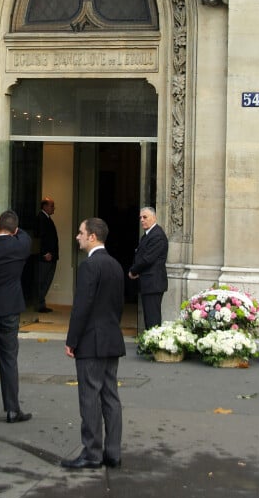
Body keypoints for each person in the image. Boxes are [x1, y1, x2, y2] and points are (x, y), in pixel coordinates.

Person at [61, 217, 125, 470]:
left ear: (92, 237)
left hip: (91, 341)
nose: (77, 236)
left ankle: (91, 453)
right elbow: (118, 306)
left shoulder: (90, 266)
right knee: (110, 396)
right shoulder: (116, 265)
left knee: (89, 397)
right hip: (111, 337)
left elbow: (82, 307)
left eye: (80, 232)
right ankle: (113, 452)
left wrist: (71, 340)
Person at [0, 210, 32, 424]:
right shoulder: (20, 245)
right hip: (9, 308)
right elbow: (24, 236)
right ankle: (12, 409)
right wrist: (10, 226)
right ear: (14, 230)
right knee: (9, 359)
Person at [128, 206, 168, 329]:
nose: (142, 220)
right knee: (149, 318)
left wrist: (133, 270)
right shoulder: (148, 235)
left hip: (153, 283)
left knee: (152, 319)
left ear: (154, 218)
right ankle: (150, 345)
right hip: (149, 283)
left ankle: (154, 346)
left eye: (145, 217)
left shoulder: (157, 235)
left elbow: (147, 259)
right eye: (140, 217)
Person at [35, 195, 59, 313]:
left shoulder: (47, 218)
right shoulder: (41, 218)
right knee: (42, 280)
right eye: (52, 206)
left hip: (51, 256)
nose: (54, 208)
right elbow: (40, 237)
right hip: (46, 256)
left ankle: (41, 304)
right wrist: (45, 252)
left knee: (47, 280)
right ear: (44, 206)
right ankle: (39, 304)